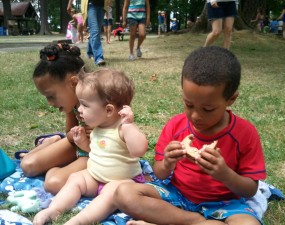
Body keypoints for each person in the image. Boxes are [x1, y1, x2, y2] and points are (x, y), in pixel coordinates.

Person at [114, 46, 267, 225]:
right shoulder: (176, 125)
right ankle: (194, 221)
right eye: (189, 105)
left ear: (231, 99)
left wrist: (225, 174)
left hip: (224, 203)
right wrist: (167, 163)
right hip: (176, 195)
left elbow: (250, 190)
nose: (195, 116)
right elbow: (159, 174)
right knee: (123, 194)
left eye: (208, 109)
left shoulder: (245, 133)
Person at [33, 68, 148, 225]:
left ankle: (80, 221)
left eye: (85, 105)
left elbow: (139, 150)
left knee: (110, 192)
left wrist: (129, 126)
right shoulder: (98, 127)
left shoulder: (122, 128)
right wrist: (83, 144)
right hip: (96, 176)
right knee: (76, 178)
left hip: (124, 182)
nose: (79, 110)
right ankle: (54, 209)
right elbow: (96, 151)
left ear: (108, 110)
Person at [20, 43, 89, 195]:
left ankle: (55, 154)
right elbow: (70, 134)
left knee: (53, 183)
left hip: (97, 154)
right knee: (27, 165)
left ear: (73, 82)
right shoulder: (74, 99)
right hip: (79, 145)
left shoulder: (98, 100)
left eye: (51, 96)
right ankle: (52, 142)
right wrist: (69, 111)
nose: (50, 103)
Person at [68, 0, 106, 66]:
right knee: (95, 31)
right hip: (90, 5)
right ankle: (98, 57)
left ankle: (90, 52)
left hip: (102, 5)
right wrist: (69, 4)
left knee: (96, 32)